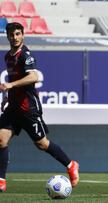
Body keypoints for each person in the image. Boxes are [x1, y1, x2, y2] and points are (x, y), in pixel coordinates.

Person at [0, 22, 79, 192]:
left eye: (18, 34)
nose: (15, 38)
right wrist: (6, 96)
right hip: (13, 107)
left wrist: (11, 85)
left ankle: (71, 164)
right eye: (12, 34)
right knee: (1, 139)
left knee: (41, 144)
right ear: (7, 36)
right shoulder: (8, 56)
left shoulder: (26, 55)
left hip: (28, 109)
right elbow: (12, 82)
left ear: (23, 35)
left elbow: (34, 77)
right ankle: (1, 180)